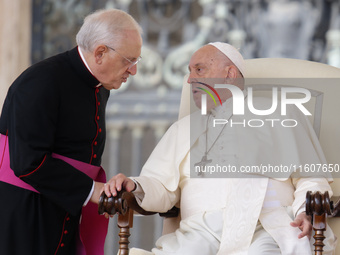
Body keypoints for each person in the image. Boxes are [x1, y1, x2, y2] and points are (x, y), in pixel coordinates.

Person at [104, 42, 336, 255]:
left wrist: (304, 211)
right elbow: (161, 187)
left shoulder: (282, 115)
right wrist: (134, 185)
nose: (189, 79)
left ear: (229, 73)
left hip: (266, 225)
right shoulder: (182, 129)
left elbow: (311, 178)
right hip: (199, 233)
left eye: (200, 70)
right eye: (190, 71)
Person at [0, 8, 142, 255]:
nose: (133, 70)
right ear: (100, 53)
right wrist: (91, 189)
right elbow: (27, 163)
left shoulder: (100, 86)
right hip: (27, 216)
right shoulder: (40, 82)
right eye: (128, 61)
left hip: (65, 207)